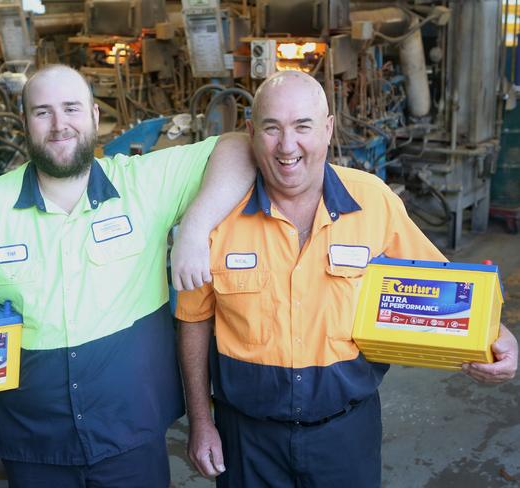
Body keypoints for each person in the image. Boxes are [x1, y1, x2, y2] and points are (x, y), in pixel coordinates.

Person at [0, 64, 256, 488]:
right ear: (24, 124)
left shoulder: (144, 185)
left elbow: (239, 147)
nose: (59, 126)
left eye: (71, 109)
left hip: (132, 436)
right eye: (43, 112)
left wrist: (195, 230)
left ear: (94, 116)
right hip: (34, 445)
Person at [176, 70, 518, 488]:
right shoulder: (217, 213)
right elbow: (194, 319)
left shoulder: (372, 201)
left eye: (303, 126)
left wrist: (498, 335)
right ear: (250, 131)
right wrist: (200, 421)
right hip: (246, 438)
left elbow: (447, 286)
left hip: (345, 434)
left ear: (328, 129)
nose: (288, 146)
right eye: (272, 128)